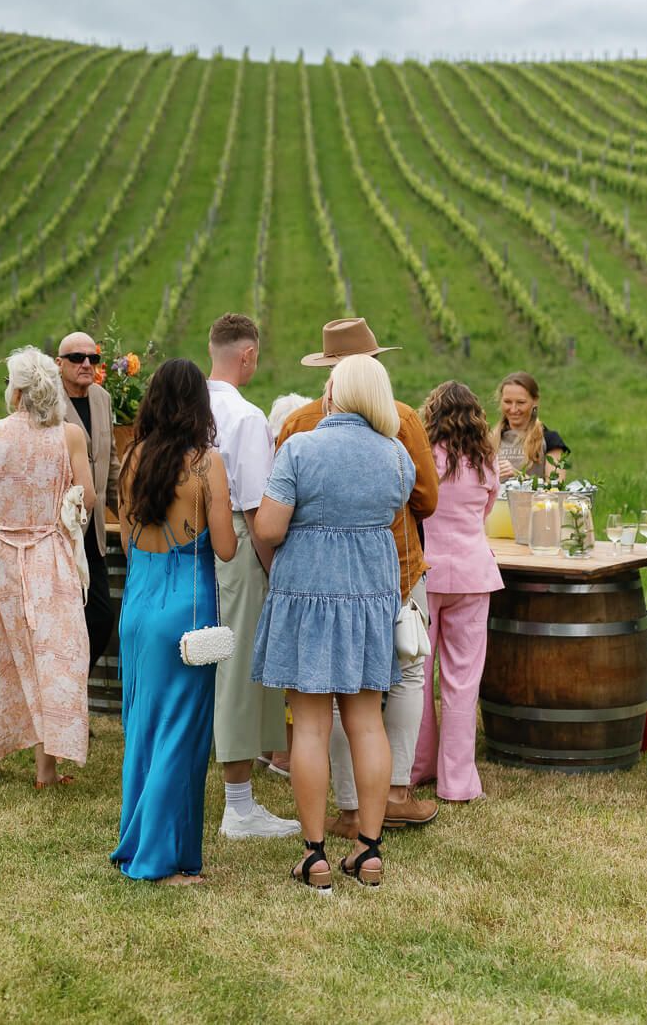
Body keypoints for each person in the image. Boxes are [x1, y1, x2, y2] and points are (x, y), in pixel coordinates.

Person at [254, 354, 413, 889]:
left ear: (333, 394)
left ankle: (315, 853)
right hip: (368, 599)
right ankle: (369, 850)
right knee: (367, 723)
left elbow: (269, 528)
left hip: (308, 596)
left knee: (311, 726)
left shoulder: (300, 448)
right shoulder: (395, 455)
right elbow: (393, 513)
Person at [277, 317, 440, 833]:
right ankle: (393, 793)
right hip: (390, 570)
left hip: (311, 581)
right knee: (404, 677)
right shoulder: (401, 422)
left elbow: (275, 510)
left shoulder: (298, 425)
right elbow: (426, 500)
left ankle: (347, 807)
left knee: (321, 696)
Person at [111, 359, 236, 883]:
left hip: (138, 605)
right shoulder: (206, 464)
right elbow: (225, 548)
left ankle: (142, 842)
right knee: (181, 735)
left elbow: (126, 540)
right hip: (186, 613)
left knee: (143, 728)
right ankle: (157, 860)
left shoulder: (132, 457)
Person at [0, 346, 95, 788]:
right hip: (48, 554)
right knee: (54, 656)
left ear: (17, 390)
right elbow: (88, 497)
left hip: (1, 554)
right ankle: (46, 770)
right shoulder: (69, 436)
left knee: (0, 651)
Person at [207, 313, 299, 840]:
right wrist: (274, 570)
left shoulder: (185, 402)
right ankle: (238, 807)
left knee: (203, 661)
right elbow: (256, 511)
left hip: (184, 545)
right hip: (238, 546)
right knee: (239, 666)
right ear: (247, 356)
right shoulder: (245, 416)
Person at [410, 382, 503, 802]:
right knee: (463, 680)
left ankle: (417, 766)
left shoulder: (422, 457)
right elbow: (485, 513)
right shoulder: (486, 461)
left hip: (425, 573)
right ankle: (458, 782)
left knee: (416, 675)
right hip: (472, 573)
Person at [55, 331, 121, 672]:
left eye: (92, 358)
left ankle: (73, 683)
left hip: (92, 533)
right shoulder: (48, 401)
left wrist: (126, 510)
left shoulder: (101, 397)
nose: (86, 364)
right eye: (76, 358)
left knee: (101, 617)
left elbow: (110, 461)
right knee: (64, 619)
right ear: (59, 363)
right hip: (59, 532)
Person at [491, 371, 568, 482]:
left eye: (521, 402)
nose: (513, 409)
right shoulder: (488, 440)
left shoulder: (550, 440)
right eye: (507, 402)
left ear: (535, 401)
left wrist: (518, 476)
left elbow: (556, 488)